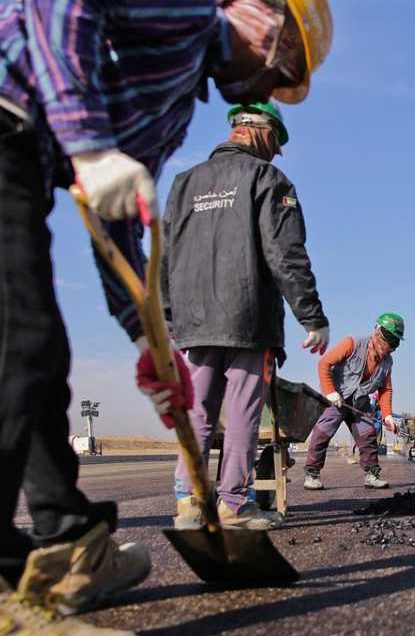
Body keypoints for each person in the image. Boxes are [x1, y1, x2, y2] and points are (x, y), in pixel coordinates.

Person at [0, 1, 332, 636]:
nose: (272, 87)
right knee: (14, 340)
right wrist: (89, 145)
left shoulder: (178, 101)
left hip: (18, 141)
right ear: (254, 12)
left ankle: (72, 544)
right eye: (285, 61)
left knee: (41, 352)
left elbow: (115, 217)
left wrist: (148, 338)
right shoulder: (184, 10)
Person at [162, 101, 328, 531]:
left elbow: (164, 254)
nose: (275, 153)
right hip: (247, 317)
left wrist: (167, 314)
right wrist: (311, 316)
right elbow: (285, 253)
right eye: (276, 143)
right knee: (241, 412)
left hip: (193, 321)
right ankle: (233, 503)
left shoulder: (183, 183)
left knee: (197, 410)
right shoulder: (266, 178)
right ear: (261, 131)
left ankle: (189, 502)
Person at [304, 313, 405, 490]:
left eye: (395, 343)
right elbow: (324, 363)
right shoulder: (352, 344)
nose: (390, 347)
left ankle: (371, 475)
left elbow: (385, 389)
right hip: (337, 398)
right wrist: (330, 392)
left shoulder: (387, 362)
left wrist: (388, 415)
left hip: (359, 403)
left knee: (368, 436)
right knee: (322, 433)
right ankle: (312, 474)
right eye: (389, 340)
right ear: (377, 333)